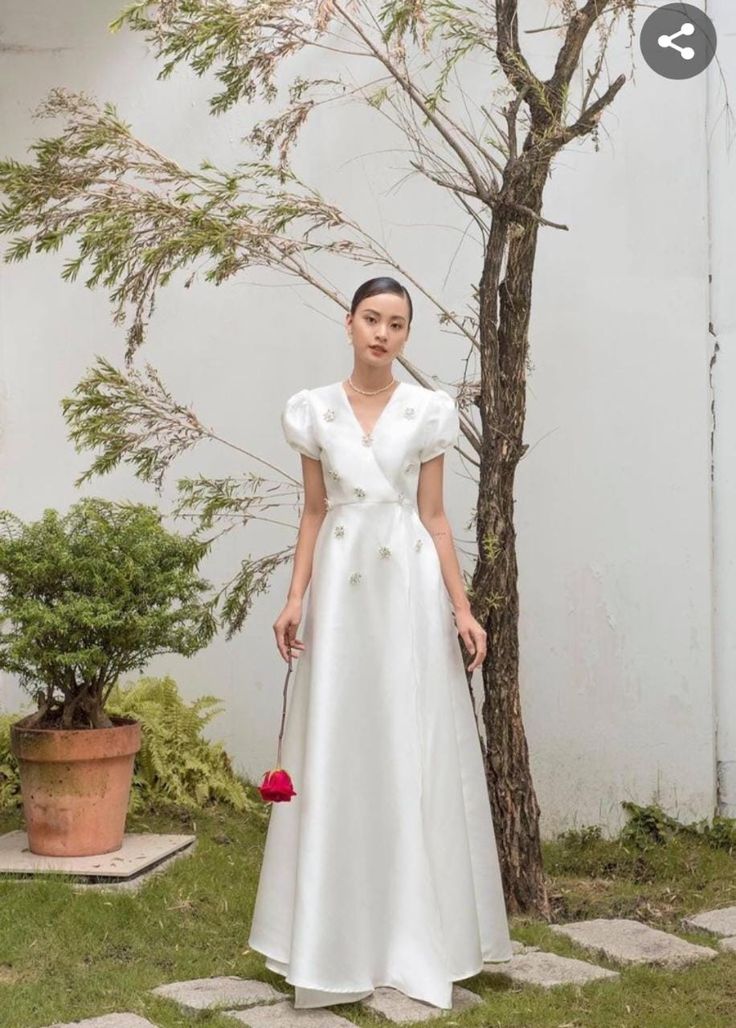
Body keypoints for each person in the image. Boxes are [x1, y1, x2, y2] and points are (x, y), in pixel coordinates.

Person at [247, 276, 513, 1011]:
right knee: (340, 740)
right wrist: (295, 597)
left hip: (405, 589)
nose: (383, 333)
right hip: (339, 585)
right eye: (372, 318)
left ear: (405, 334)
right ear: (349, 321)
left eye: (397, 323)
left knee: (407, 737)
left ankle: (411, 934)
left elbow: (434, 518)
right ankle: (332, 938)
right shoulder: (314, 410)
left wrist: (461, 610)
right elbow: (310, 511)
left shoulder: (427, 413)